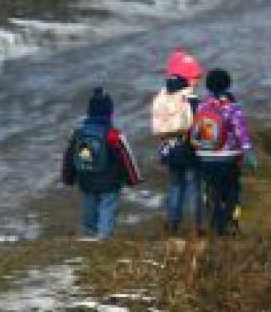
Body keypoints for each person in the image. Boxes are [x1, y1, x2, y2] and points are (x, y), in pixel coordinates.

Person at [62, 87, 142, 240]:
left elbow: (69, 157)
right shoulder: (113, 134)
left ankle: (89, 234)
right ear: (109, 113)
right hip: (110, 182)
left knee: (89, 209)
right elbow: (126, 158)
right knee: (107, 208)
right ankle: (103, 238)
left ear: (89, 112)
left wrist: (68, 177)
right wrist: (133, 179)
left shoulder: (79, 133)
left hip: (86, 179)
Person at [191, 69, 255, 236]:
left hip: (205, 157)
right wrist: (249, 153)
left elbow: (196, 131)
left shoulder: (201, 106)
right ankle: (231, 223)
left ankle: (215, 224)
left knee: (212, 192)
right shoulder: (232, 107)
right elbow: (241, 133)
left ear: (208, 86)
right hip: (228, 158)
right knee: (232, 192)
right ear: (228, 84)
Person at [151, 66, 203, 236]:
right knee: (193, 188)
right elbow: (203, 128)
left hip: (171, 151)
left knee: (174, 187)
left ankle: (173, 224)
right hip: (191, 151)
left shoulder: (163, 101)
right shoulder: (193, 101)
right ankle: (197, 226)